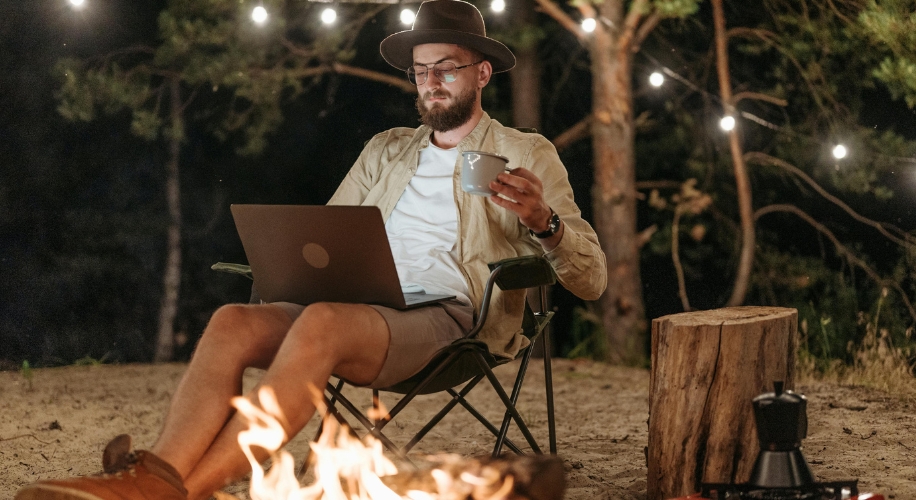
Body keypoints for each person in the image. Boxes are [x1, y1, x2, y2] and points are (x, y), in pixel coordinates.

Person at [15, 1, 606, 499]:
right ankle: (159, 475)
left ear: (481, 74)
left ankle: (176, 494)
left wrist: (543, 221)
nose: (430, 82)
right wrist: (294, 257)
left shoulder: (525, 151)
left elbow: (592, 278)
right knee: (231, 322)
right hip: (362, 301)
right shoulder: (387, 149)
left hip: (451, 317)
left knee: (321, 322)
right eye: (422, 71)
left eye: (446, 68)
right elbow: (329, 232)